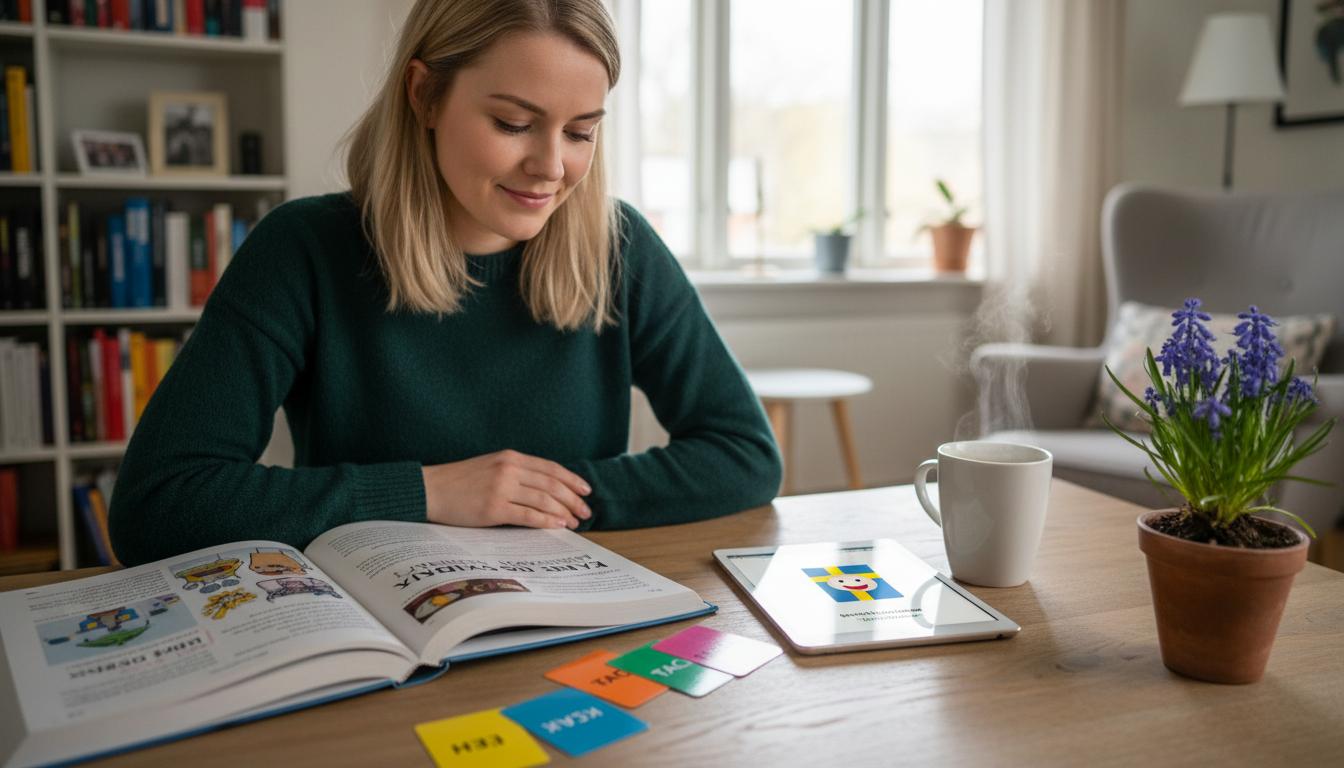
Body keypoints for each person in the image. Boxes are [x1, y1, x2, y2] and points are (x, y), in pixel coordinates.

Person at [108, 0, 782, 566]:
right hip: (381, 642)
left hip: (569, 620)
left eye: (580, 132)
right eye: (514, 124)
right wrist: (427, 494)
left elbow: (745, 455)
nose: (551, 167)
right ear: (425, 94)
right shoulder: (301, 250)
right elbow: (159, 503)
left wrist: (534, 499)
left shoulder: (619, 247)